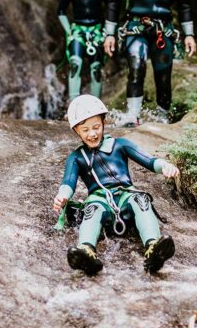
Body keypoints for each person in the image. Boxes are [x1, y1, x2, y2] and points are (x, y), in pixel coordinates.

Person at [53, 95, 180, 275]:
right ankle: (86, 251)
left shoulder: (120, 144)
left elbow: (149, 161)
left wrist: (164, 166)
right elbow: (68, 182)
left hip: (126, 198)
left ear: (104, 123)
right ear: (76, 131)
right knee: (92, 209)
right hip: (101, 203)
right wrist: (62, 195)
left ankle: (154, 247)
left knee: (141, 199)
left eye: (96, 127)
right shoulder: (77, 157)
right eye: (85, 130)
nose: (92, 134)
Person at [104, 0, 197, 126]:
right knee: (136, 65)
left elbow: (184, 4)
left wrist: (189, 34)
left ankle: (162, 116)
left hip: (163, 30)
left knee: (163, 73)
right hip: (135, 28)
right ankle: (133, 114)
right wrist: (109, 34)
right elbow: (113, 1)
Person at [57, 0, 109, 101]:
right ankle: (73, 105)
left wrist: (107, 30)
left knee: (96, 69)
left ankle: (97, 105)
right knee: (75, 64)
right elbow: (61, 11)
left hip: (96, 31)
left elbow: (111, 9)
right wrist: (69, 32)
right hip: (77, 31)